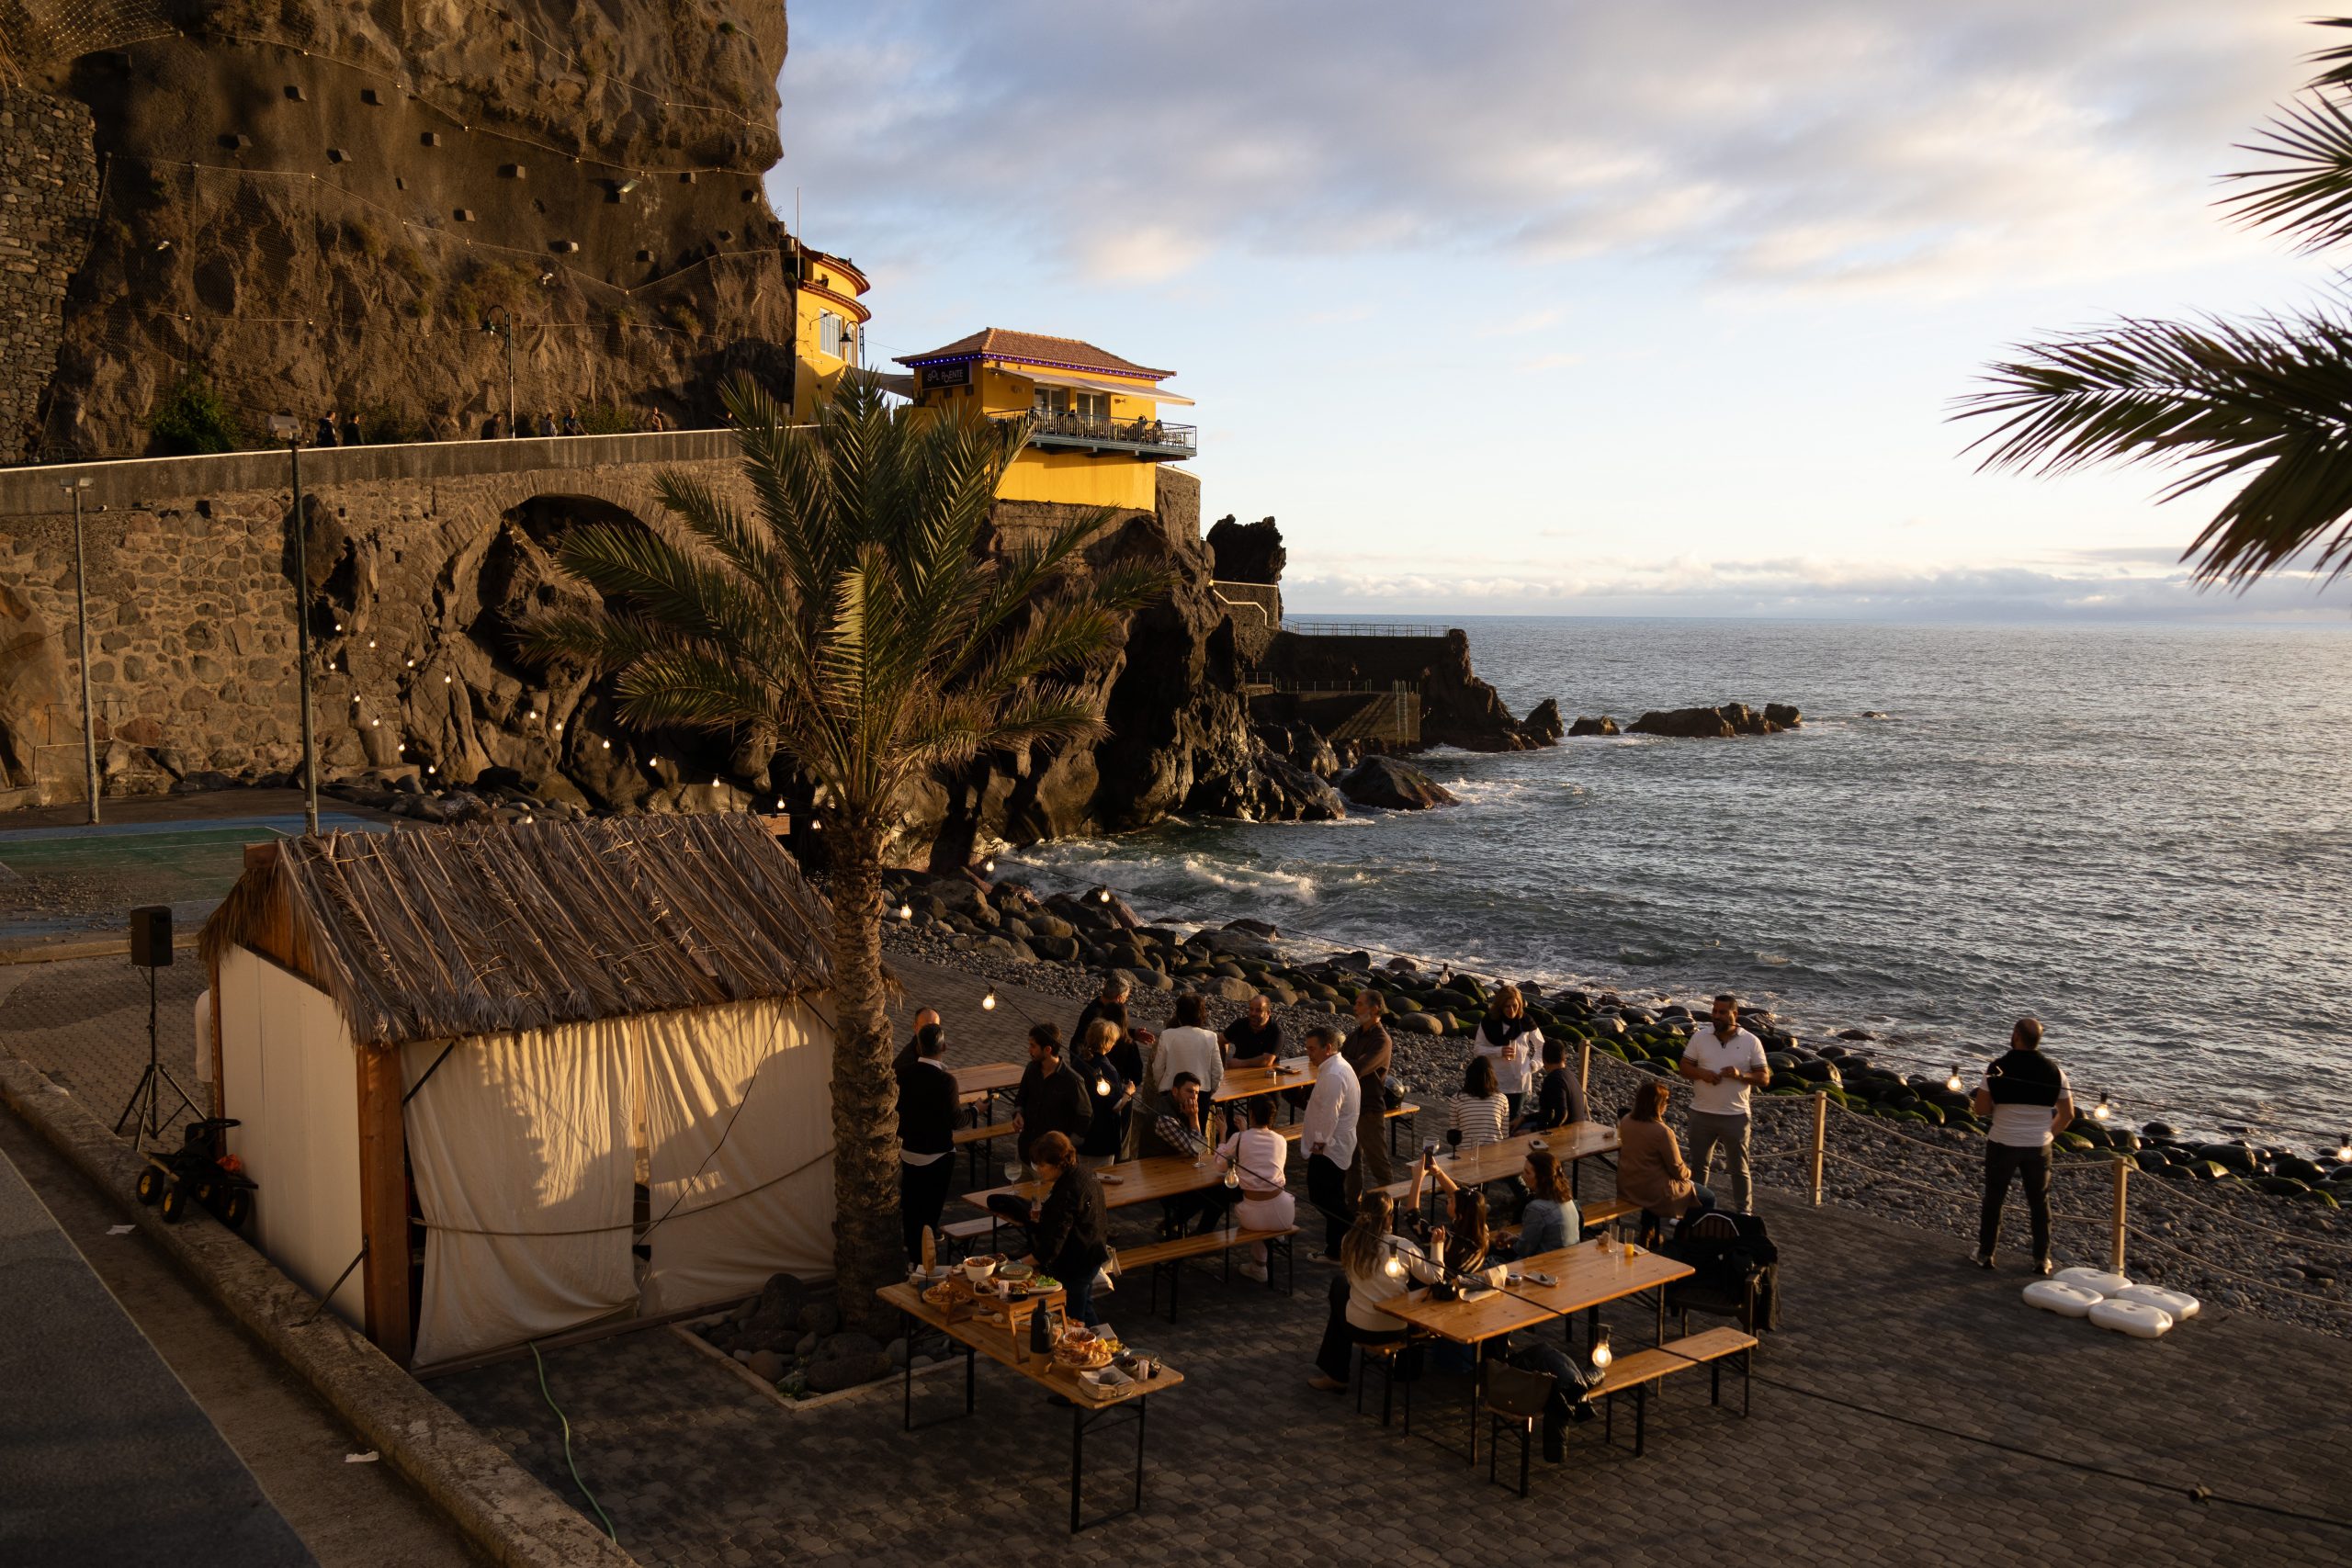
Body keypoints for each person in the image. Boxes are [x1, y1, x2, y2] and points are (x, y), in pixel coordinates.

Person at [1971, 1017, 2071, 1275]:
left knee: (1994, 1199)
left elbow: (1980, 1109)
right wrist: (2049, 1133)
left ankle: (1986, 1253)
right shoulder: (2055, 1072)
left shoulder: (1997, 1068)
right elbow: (2068, 1114)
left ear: (2016, 1036)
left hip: (2003, 1141)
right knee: (2039, 1202)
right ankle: (2041, 1258)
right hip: (2038, 1145)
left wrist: (1999, 1106)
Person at [1306, 1192, 1433, 1392]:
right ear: (1389, 1217)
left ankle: (1336, 1374)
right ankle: (1406, 1368)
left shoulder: (1349, 1240)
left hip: (1357, 1326)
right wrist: (1438, 1245)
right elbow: (1436, 1277)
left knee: (1340, 1289)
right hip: (1396, 1328)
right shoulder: (1403, 1247)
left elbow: (1350, 1278)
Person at [1679, 992, 1770, 1212]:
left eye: (1722, 1012)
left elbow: (1764, 1078)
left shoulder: (1751, 1041)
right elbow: (1684, 1067)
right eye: (1714, 1011)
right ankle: (1696, 1210)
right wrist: (1703, 1074)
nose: (1716, 1016)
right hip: (1701, 1113)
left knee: (1739, 1169)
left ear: (1734, 1014)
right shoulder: (1700, 1037)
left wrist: (1741, 1075)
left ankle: (1744, 1213)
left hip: (1735, 1116)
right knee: (1699, 1167)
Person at [1018, 1132, 1111, 1328]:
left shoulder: (1067, 1190)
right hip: (1092, 1253)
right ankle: (1105, 1346)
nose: (1038, 1170)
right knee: (1084, 1307)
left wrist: (1018, 1264)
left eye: (1042, 1165)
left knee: (1072, 1320)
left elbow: (1052, 1246)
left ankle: (1088, 1352)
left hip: (1077, 1263)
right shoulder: (1084, 1173)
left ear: (1058, 1163)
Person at [1616, 1078, 1713, 1235]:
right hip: (1654, 1192)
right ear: (1659, 1104)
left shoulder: (1626, 1121)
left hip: (1628, 1186)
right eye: (1667, 1101)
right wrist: (1689, 1173)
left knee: (1654, 1178)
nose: (1668, 1104)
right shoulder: (1663, 1132)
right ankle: (1687, 1238)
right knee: (1708, 1197)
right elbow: (1677, 1170)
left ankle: (1648, 1229)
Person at [895, 1022, 957, 1262]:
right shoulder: (946, 1082)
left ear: (918, 1047)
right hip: (938, 1156)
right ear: (943, 1047)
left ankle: (913, 1259)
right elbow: (956, 1120)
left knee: (911, 1210)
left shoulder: (903, 1074)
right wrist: (975, 1111)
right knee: (930, 1214)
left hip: (910, 1151)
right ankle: (926, 1263)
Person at [1215, 1098, 1295, 1280]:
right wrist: (1245, 1133)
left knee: (1254, 1210)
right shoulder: (1281, 1140)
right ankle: (1261, 1263)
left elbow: (1220, 1164)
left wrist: (1222, 1135)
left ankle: (1259, 1267)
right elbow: (1261, 1158)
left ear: (1251, 1114)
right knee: (1271, 1194)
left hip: (1253, 1216)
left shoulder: (1240, 1138)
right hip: (1284, 1213)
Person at [1299, 1023, 1361, 1258]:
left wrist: (1318, 1146)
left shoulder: (1334, 1074)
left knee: (1322, 1197)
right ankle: (1335, 1249)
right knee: (1332, 1196)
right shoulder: (1335, 1067)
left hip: (1329, 1148)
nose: (1308, 1053)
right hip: (1335, 1145)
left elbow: (1329, 1115)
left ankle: (1356, 1229)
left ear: (1328, 1048)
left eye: (1312, 1049)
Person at [1148, 1072, 1233, 1236]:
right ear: (1174, 1091)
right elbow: (1197, 1150)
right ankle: (1183, 1230)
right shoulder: (1164, 1118)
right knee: (1212, 1192)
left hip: (1176, 1166)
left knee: (1220, 1190)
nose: (1194, 1097)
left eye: (1196, 1093)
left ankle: (1197, 1233)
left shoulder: (1180, 1106)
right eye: (1189, 1091)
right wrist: (1194, 1118)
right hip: (1158, 1175)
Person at [1006, 1022, 1091, 1173]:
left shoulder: (1072, 1081)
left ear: (1048, 1049)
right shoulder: (1031, 1069)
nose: (1029, 1050)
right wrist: (1018, 1114)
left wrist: (1066, 1146)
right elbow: (1021, 1097)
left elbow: (1085, 1116)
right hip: (1025, 1151)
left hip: (1050, 1162)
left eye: (1033, 1046)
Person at [1341, 990, 1394, 1199]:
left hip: (1369, 1109)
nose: (1355, 1008)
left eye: (1360, 1004)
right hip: (1350, 1106)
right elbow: (1340, 1059)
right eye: (1356, 1003)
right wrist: (1348, 1062)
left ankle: (1389, 1208)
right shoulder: (1355, 1034)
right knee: (1351, 1161)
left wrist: (1349, 1062)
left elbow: (1358, 1068)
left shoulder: (1382, 1040)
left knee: (1378, 1163)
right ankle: (1353, 1207)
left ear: (1374, 1009)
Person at [1070, 1017, 1133, 1170]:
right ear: (1109, 1044)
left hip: (1079, 1134)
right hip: (1100, 1137)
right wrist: (1128, 1092)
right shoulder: (1107, 1069)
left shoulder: (1079, 1061)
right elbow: (1116, 1105)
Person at [1475, 985, 1542, 1123]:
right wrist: (1498, 1051)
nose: (1512, 1010)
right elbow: (1478, 1050)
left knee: (1512, 1122)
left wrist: (1533, 1065)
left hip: (1519, 1082)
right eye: (1507, 1006)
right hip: (1495, 1081)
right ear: (1500, 1006)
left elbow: (1542, 1046)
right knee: (1493, 1122)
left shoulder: (1526, 1021)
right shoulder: (1488, 1022)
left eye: (1515, 1006)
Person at [1153, 991, 1225, 1106]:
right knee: (1197, 1124)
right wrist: (1211, 1090)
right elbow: (1218, 1072)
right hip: (1200, 1092)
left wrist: (1160, 1086)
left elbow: (1158, 1068)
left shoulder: (1167, 1035)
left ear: (1179, 1014)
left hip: (1172, 1090)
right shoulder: (1210, 1037)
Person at [1514, 1150, 1581, 1257]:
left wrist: (1512, 1243)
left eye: (1527, 1172)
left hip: (1544, 1267)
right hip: (1569, 1260)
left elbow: (1524, 1250)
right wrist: (1516, 1238)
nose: (1522, 1176)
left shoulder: (1536, 1209)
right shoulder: (1568, 1200)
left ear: (1541, 1179)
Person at [1517, 1035, 1589, 1134]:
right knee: (1522, 1123)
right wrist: (1524, 1118)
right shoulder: (1569, 1076)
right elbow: (1550, 1113)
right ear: (1564, 1057)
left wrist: (1534, 1131)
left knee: (1514, 1132)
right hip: (1577, 1131)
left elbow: (1562, 1115)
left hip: (1566, 1137)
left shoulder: (1554, 1079)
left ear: (1544, 1059)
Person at [1447, 1054, 1510, 1154]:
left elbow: (1455, 1134)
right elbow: (1505, 1134)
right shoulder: (1502, 1099)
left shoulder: (1456, 1099)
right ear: (1492, 1077)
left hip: (1465, 1154)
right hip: (1494, 1154)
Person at [1221, 993, 1282, 1070]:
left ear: (1268, 1013)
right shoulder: (1240, 1024)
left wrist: (1240, 1063)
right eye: (1251, 1009)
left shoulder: (1275, 1031)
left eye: (1258, 1010)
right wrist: (1223, 1063)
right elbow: (1221, 1040)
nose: (1253, 1013)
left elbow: (1267, 1061)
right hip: (1238, 1074)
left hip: (1265, 1074)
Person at [891, 1006, 943, 1074]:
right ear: (915, 1027)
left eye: (935, 1026)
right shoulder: (908, 1061)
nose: (931, 1031)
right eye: (926, 1027)